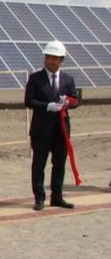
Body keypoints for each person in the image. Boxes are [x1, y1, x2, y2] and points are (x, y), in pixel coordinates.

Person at [25, 40, 78, 210]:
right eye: (48, 57)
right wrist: (47, 106)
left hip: (61, 130)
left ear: (61, 60)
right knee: (39, 165)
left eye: (54, 58)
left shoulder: (68, 79)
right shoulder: (35, 78)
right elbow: (29, 101)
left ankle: (57, 197)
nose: (50, 61)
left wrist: (68, 103)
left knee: (59, 164)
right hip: (41, 130)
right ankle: (39, 198)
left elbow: (76, 100)